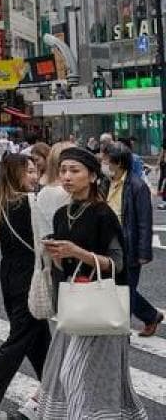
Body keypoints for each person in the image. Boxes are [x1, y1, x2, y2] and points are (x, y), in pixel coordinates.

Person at [36, 147, 147, 418]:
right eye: (63, 170)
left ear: (93, 176)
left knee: (73, 374)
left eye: (74, 170)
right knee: (78, 376)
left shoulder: (102, 214)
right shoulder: (62, 214)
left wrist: (77, 253)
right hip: (74, 306)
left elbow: (117, 263)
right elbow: (66, 267)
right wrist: (57, 254)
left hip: (99, 306)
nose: (66, 177)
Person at [0, 154, 49, 420]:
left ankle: (57, 391)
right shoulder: (29, 202)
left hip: (10, 276)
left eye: (36, 171)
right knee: (20, 339)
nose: (35, 177)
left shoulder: (2, 203)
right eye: (29, 172)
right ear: (16, 174)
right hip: (29, 278)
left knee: (37, 339)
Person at [100, 142, 163, 337]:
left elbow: (144, 222)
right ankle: (151, 315)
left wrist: (144, 252)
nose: (103, 163)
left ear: (117, 163)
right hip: (107, 245)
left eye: (106, 160)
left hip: (128, 246)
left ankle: (120, 336)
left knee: (124, 291)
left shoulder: (137, 186)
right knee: (118, 288)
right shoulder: (105, 183)